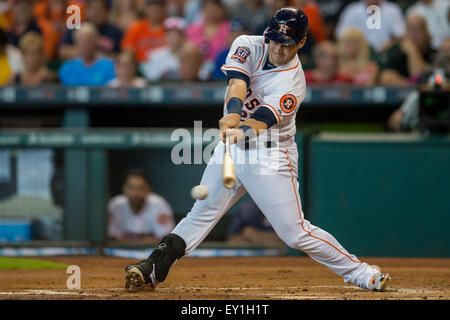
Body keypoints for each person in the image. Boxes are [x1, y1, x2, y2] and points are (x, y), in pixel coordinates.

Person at [124, 7, 391, 293]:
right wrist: (232, 113)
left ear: (301, 44)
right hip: (234, 147)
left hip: (271, 155)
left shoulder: (293, 82)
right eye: (275, 39)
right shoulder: (246, 44)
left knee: (295, 233)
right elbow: (238, 82)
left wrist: (238, 128)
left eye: (287, 43)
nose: (279, 47)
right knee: (201, 212)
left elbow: (263, 120)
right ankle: (152, 266)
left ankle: (361, 272)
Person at [387, 37, 450, 132]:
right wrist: (401, 118)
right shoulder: (427, 83)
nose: (446, 56)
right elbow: (397, 120)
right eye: (444, 52)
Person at [108, 169, 175, 242]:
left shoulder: (159, 204)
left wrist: (129, 242)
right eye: (131, 188)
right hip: (120, 252)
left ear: (148, 189)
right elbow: (113, 239)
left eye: (140, 188)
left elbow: (166, 240)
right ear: (124, 188)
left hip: (152, 251)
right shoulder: (115, 205)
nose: (135, 193)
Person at [379, 14, 436, 86]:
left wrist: (412, 51)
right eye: (410, 30)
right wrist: (410, 85)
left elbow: (422, 78)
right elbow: (386, 78)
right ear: (405, 34)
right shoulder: (397, 56)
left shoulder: (435, 55)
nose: (414, 35)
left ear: (426, 33)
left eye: (418, 30)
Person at [59, 0, 123, 60]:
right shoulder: (76, 28)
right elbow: (62, 51)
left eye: (99, 9)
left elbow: (122, 56)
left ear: (107, 11)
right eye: (92, 9)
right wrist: (89, 53)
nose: (96, 13)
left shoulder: (115, 32)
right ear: (86, 10)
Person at [335, 0, 406, 53]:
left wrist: (389, 44)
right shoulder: (351, 10)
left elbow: (400, 35)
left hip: (386, 54)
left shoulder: (393, 10)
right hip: (357, 54)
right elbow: (340, 35)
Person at [139, 16, 187, 81]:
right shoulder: (155, 55)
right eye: (170, 33)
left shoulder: (190, 56)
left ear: (183, 36)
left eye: (177, 33)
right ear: (166, 35)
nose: (174, 36)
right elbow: (151, 80)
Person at [186, 0, 230, 69]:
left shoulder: (229, 29)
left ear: (221, 9)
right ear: (202, 10)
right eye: (208, 9)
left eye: (214, 9)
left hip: (221, 67)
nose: (211, 12)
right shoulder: (193, 29)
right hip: (196, 68)